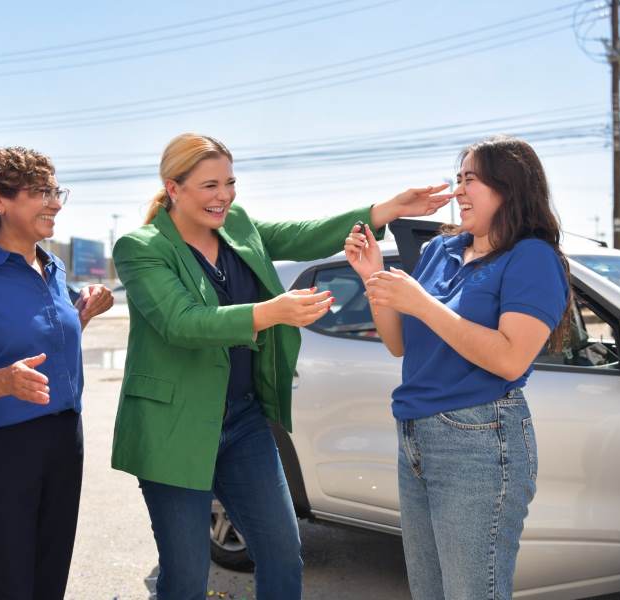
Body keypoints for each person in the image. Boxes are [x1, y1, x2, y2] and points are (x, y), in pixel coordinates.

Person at [111, 132, 451, 600]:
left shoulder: (236, 224)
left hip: (242, 421)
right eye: (210, 185)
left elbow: (303, 235)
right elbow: (180, 323)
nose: (224, 196)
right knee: (186, 578)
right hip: (172, 425)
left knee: (282, 554)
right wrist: (271, 312)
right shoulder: (140, 246)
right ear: (174, 188)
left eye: (230, 182)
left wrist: (385, 210)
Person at [344, 136, 571, 600]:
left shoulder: (532, 257)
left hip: (480, 441)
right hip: (415, 435)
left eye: (472, 180)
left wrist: (422, 304)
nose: (459, 191)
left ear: (509, 187)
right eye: (459, 179)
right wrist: (372, 276)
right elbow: (399, 345)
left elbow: (510, 358)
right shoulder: (439, 250)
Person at [0, 146, 113, 600]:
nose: (55, 203)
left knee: (48, 581)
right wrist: (2, 381)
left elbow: (40, 342)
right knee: (2, 586)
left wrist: (83, 315)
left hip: (63, 441)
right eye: (41, 192)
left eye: (56, 191)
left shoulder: (53, 267)